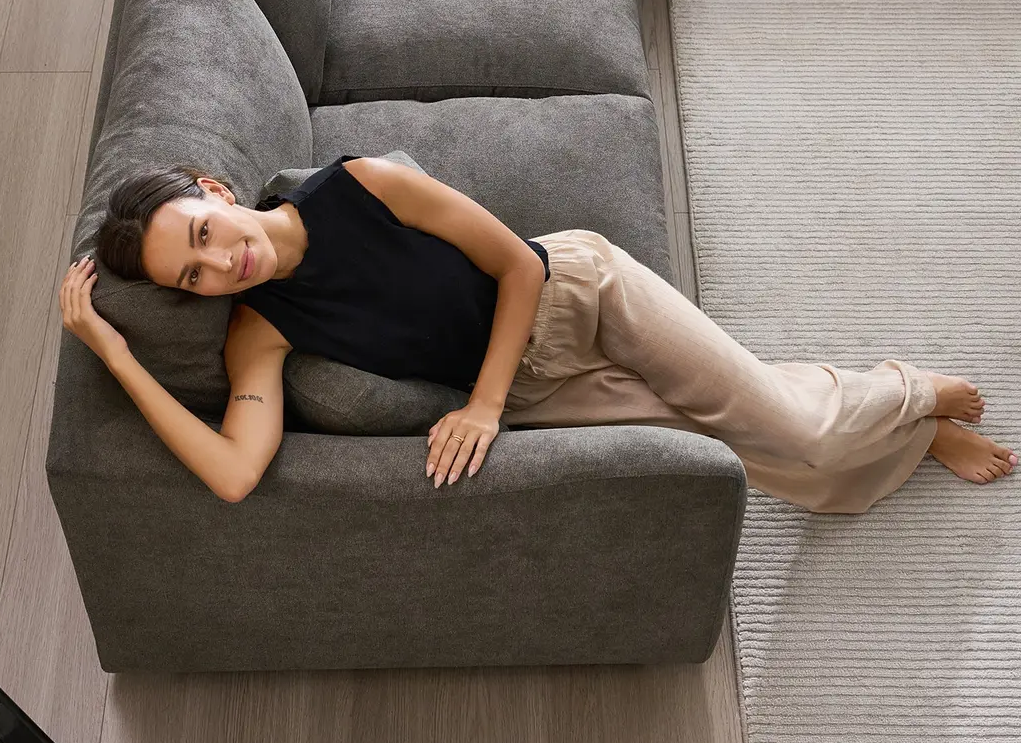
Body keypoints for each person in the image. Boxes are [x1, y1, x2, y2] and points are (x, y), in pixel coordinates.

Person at [60, 155, 1017, 511]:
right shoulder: (256, 333)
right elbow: (235, 475)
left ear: (216, 192)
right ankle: (911, 434)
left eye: (203, 234)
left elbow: (519, 264)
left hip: (578, 290)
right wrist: (117, 354)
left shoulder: (361, 184)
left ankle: (906, 388)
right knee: (744, 443)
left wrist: (480, 406)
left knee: (794, 429)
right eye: (191, 277)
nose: (221, 265)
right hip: (537, 389)